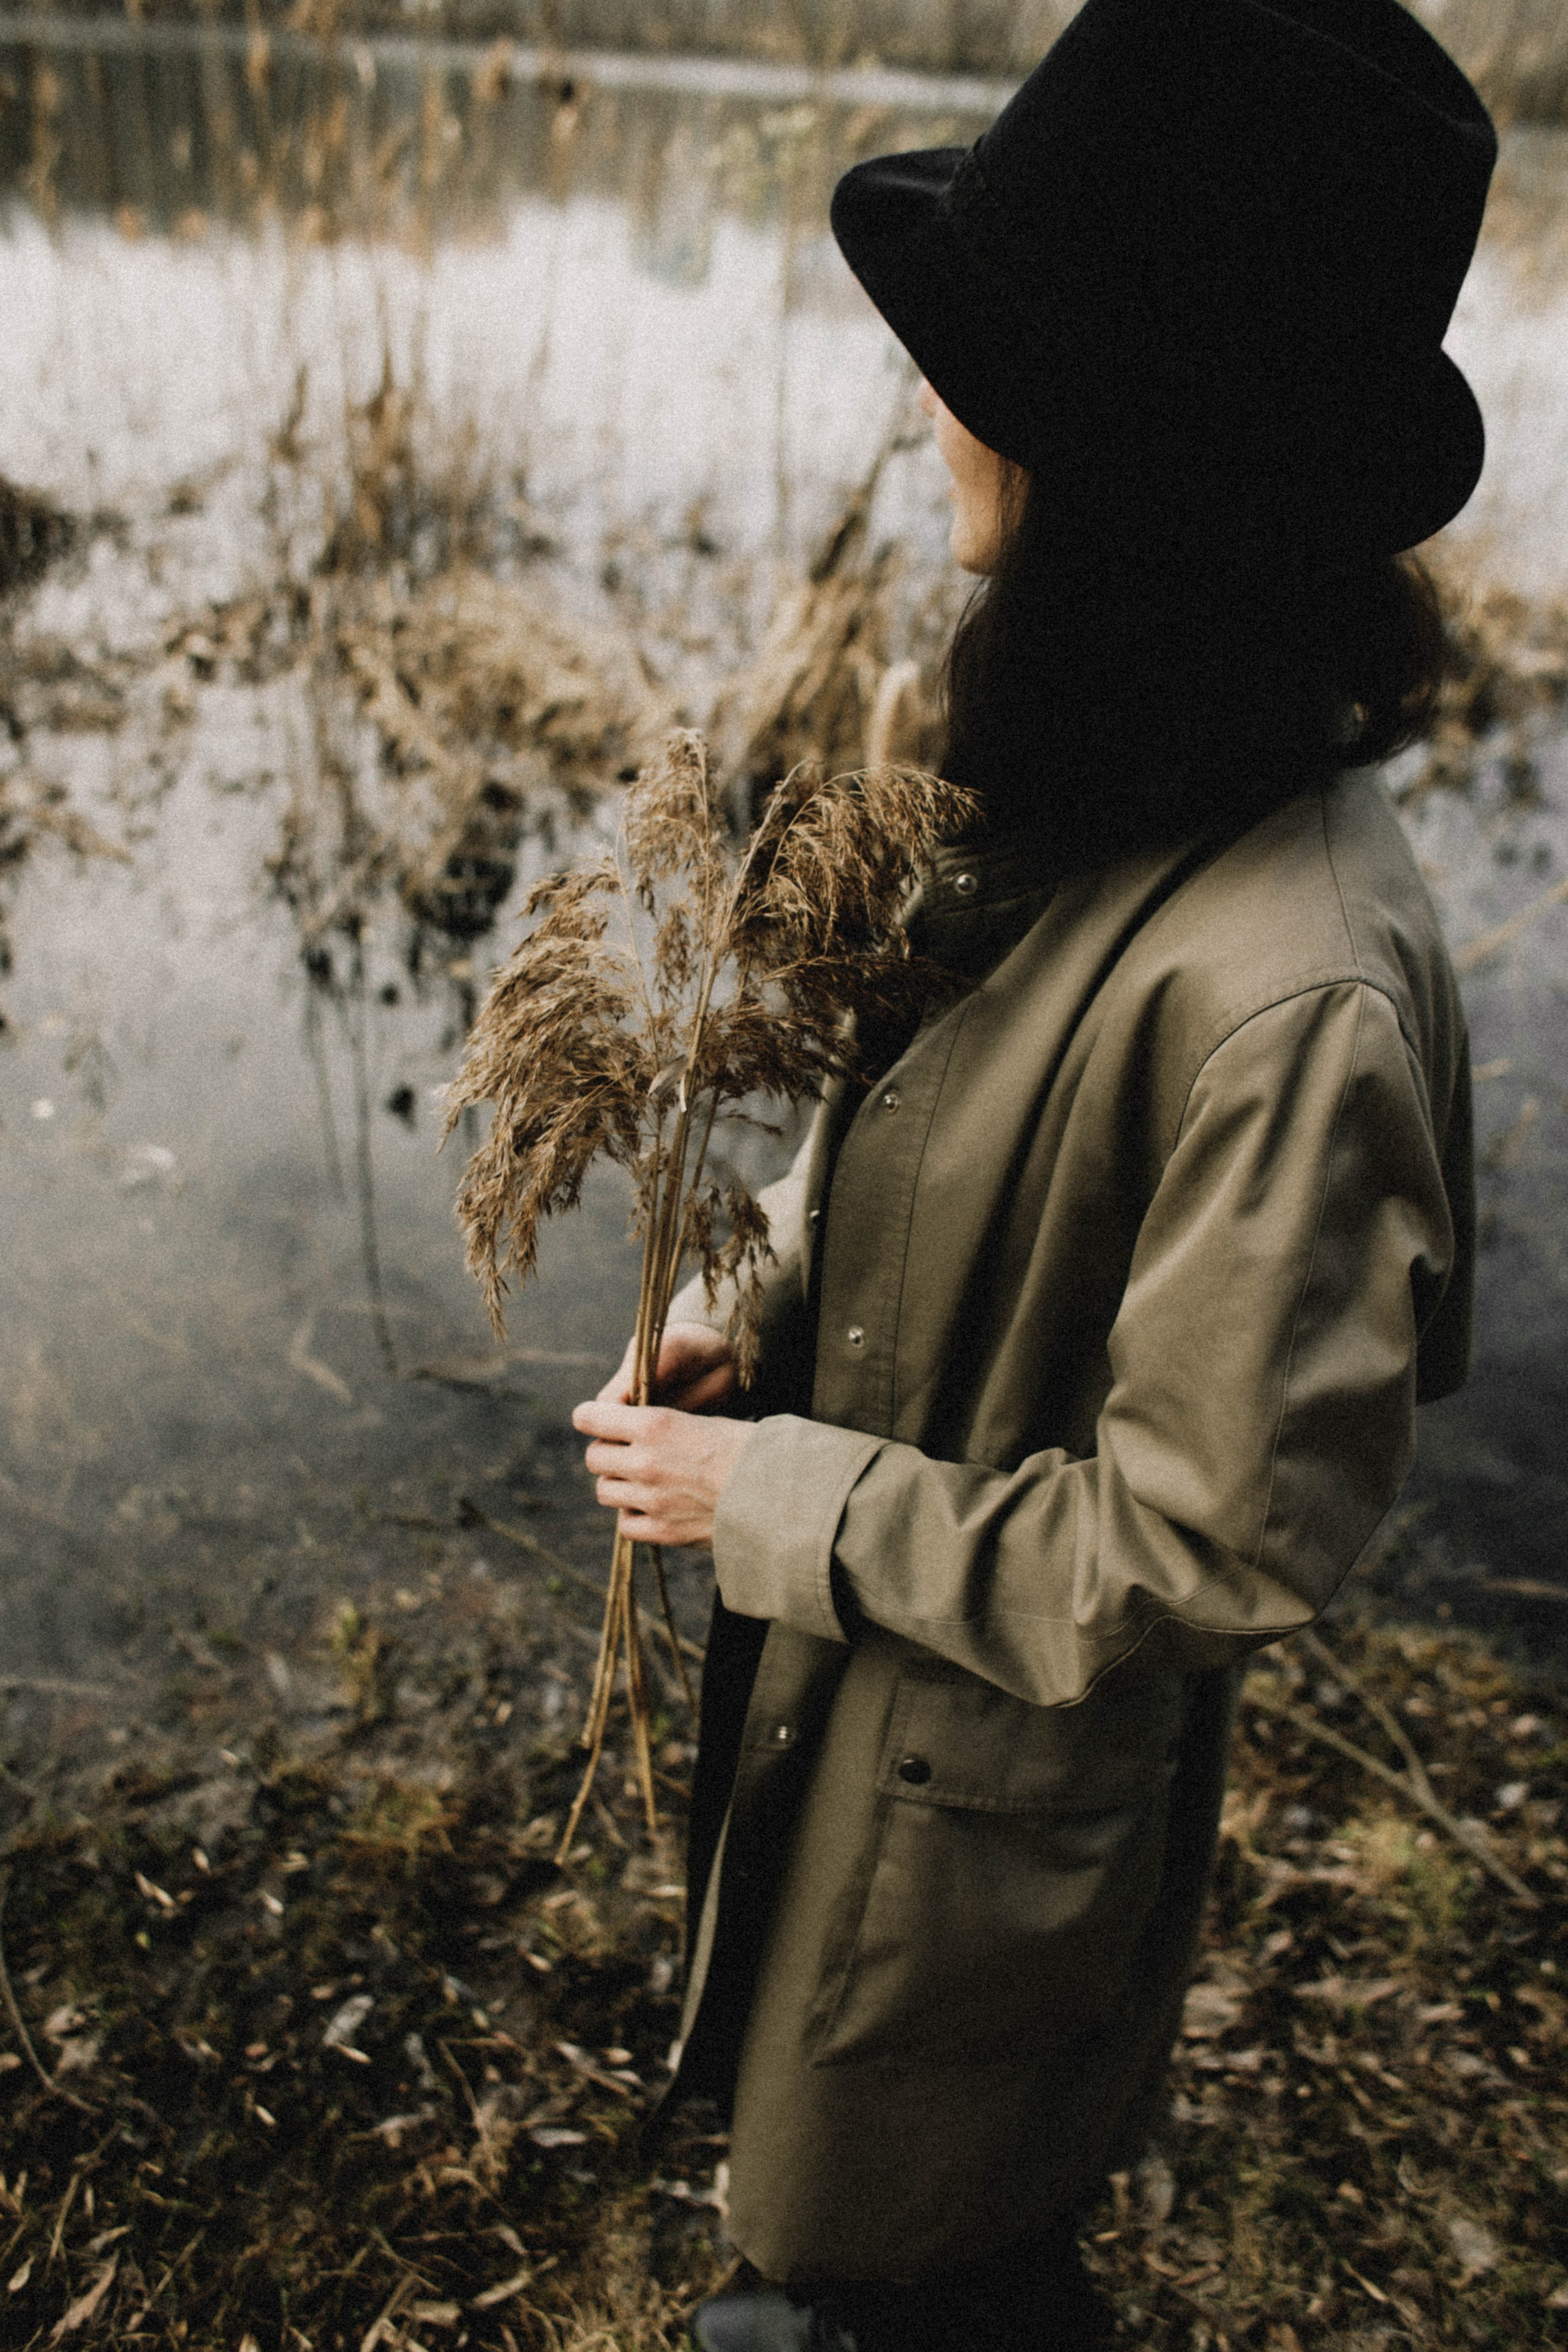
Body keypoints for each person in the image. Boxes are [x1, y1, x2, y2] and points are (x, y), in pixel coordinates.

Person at [571, 1, 1493, 2344]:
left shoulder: (1292, 986)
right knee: (865, 2231)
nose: (925, 400)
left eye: (973, 359)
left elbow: (1204, 1543)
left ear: (1125, 459)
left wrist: (765, 1499)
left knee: (905, 2259)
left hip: (977, 1860)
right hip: (879, 1757)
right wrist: (760, 1284)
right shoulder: (1109, 759)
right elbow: (931, 1136)